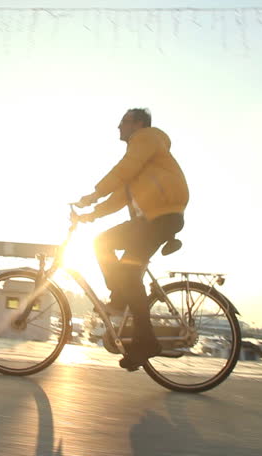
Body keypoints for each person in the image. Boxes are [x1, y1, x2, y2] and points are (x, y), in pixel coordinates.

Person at [73, 108, 189, 371]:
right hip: (149, 220)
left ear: (137, 123)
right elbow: (121, 196)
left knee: (127, 272)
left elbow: (123, 171)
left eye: (123, 122)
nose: (118, 127)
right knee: (103, 244)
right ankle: (120, 298)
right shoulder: (142, 158)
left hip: (161, 217)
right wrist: (90, 215)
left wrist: (94, 193)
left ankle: (145, 339)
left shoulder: (146, 139)